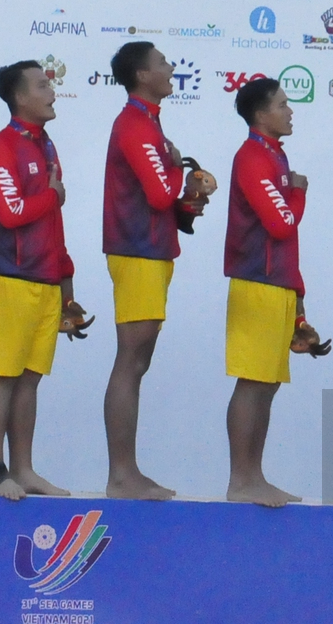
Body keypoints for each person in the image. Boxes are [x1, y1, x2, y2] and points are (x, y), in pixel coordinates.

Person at [99, 40, 210, 501]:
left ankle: (127, 471)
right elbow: (161, 194)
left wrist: (188, 195)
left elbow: (165, 199)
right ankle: (121, 474)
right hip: (137, 250)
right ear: (142, 76)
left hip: (151, 248)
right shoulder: (135, 125)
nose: (171, 68)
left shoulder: (149, 125)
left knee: (137, 361)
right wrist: (185, 181)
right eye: (163, 63)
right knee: (130, 360)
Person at [0, 59, 82, 501]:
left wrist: (67, 279)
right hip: (10, 276)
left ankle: (24, 468)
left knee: (30, 378)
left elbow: (52, 223)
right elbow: (11, 213)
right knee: (3, 376)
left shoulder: (47, 145)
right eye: (42, 85)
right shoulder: (1, 147)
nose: (52, 91)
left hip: (44, 277)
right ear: (20, 97)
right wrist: (52, 196)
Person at [224, 76, 315, 507]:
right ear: (261, 114)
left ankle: (254, 476)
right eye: (282, 104)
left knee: (267, 385)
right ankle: (241, 480)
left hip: (276, 281)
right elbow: (281, 224)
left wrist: (296, 291)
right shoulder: (253, 158)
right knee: (253, 382)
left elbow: (284, 235)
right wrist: (298, 193)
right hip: (256, 282)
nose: (290, 110)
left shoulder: (273, 156)